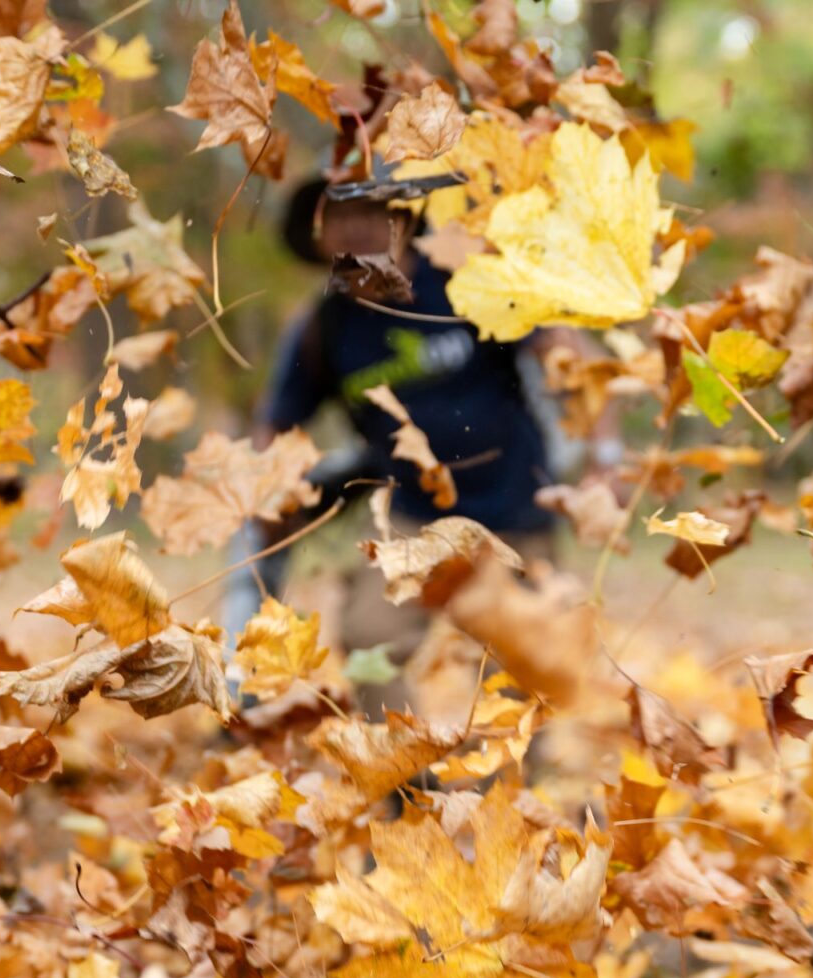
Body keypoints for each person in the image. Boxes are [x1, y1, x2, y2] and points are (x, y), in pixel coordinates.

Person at [222, 176, 572, 692]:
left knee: (522, 664)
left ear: (404, 224)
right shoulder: (325, 328)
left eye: (373, 213)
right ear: (318, 238)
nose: (358, 229)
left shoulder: (464, 282)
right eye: (339, 218)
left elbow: (562, 354)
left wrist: (601, 452)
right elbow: (275, 425)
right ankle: (399, 769)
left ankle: (512, 774)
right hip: (413, 520)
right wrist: (265, 494)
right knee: (369, 637)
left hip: (513, 507)